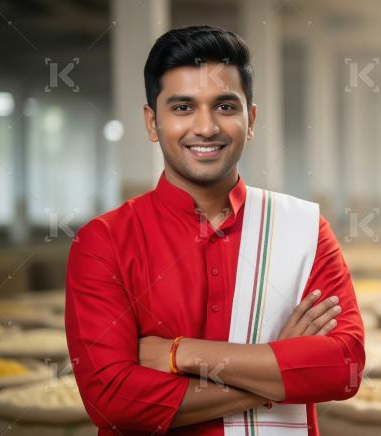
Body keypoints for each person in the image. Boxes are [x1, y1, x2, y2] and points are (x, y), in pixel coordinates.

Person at [64, 25, 365, 435]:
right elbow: (113, 400)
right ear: (152, 122)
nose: (206, 128)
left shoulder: (304, 228)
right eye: (183, 108)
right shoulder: (105, 242)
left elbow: (342, 367)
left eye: (224, 106)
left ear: (251, 119)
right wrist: (278, 371)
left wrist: (180, 354)